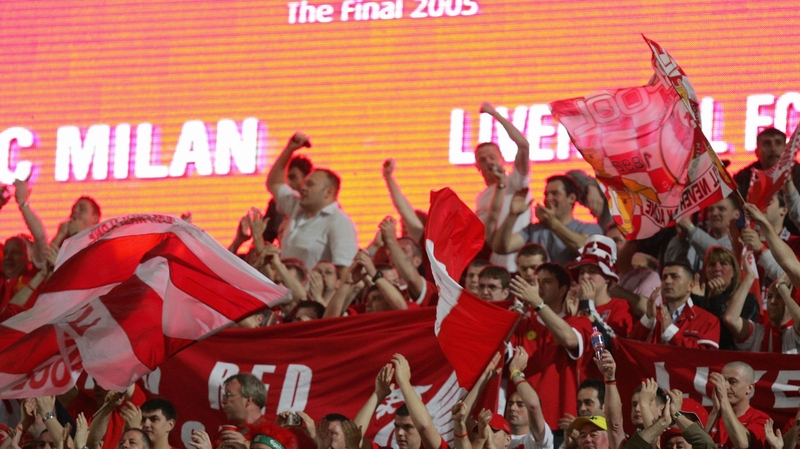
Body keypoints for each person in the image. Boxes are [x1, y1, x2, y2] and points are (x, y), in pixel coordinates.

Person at [509, 262, 595, 431]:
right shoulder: (523, 324)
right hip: (523, 424)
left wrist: (537, 303)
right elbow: (497, 353)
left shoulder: (579, 322)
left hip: (560, 423)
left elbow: (569, 340)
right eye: (537, 281)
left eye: (547, 282)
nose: (539, 286)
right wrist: (515, 315)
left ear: (563, 290)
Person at [266, 132, 358, 279]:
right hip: (284, 291)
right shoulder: (297, 206)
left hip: (312, 294)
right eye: (304, 183)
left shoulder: (339, 222)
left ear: (328, 192)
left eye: (310, 184)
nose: (303, 187)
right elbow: (274, 183)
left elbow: (345, 272)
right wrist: (290, 149)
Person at [494, 176, 602, 266]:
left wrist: (552, 223)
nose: (548, 198)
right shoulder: (534, 230)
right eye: (546, 194)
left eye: (555, 193)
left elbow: (585, 247)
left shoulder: (589, 228)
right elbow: (501, 248)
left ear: (572, 198)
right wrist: (512, 215)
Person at [474, 102, 531, 272]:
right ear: (478, 167)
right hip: (497, 263)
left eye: (492, 157)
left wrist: (495, 114)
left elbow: (523, 145)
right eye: (483, 160)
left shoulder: (516, 181)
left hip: (521, 262)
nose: (488, 162)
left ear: (502, 159)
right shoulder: (482, 198)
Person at [630, 261, 720, 349]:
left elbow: (703, 356)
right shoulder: (653, 315)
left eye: (674, 277)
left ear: (691, 285)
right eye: (664, 277)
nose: (667, 281)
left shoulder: (708, 320)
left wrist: (670, 332)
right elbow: (630, 348)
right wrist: (648, 319)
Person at [567, 234, 634, 338]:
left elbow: (611, 343)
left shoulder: (620, 306)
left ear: (607, 277)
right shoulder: (575, 306)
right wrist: (569, 317)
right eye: (582, 272)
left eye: (592, 271)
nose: (585, 276)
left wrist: (588, 306)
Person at [695, 246, 760, 351]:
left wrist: (716, 299)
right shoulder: (698, 297)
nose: (717, 268)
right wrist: (697, 300)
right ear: (706, 272)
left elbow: (728, 339)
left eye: (723, 264)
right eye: (712, 265)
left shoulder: (748, 300)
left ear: (734, 272)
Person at [724, 273, 800, 353]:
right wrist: (749, 278)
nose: (772, 301)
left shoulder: (794, 333)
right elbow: (730, 318)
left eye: (779, 296)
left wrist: (782, 286)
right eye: (769, 296)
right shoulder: (757, 333)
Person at [665, 196, 740, 273]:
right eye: (711, 210)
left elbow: (722, 256)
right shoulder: (695, 241)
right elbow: (672, 266)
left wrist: (689, 227)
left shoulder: (741, 244)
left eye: (721, 209)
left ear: (736, 214)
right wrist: (680, 239)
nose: (714, 213)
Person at [707, 361, 770, 449]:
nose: (726, 386)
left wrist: (723, 399)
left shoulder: (761, 419)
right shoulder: (713, 416)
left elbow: (743, 444)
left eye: (733, 381)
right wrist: (715, 411)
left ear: (749, 388)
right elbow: (695, 444)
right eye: (723, 381)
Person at [506, 347, 554, 449]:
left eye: (520, 405)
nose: (512, 408)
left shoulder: (539, 439)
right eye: (510, 404)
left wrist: (515, 372)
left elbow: (533, 405)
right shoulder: (497, 438)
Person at [263, 155, 313, 244]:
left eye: (292, 177)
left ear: (306, 179)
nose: (288, 182)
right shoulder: (275, 204)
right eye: (285, 178)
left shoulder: (318, 207)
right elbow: (265, 240)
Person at [220, 374, 267, 444]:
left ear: (248, 401)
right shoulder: (225, 433)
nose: (223, 401)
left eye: (228, 395)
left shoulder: (270, 435)